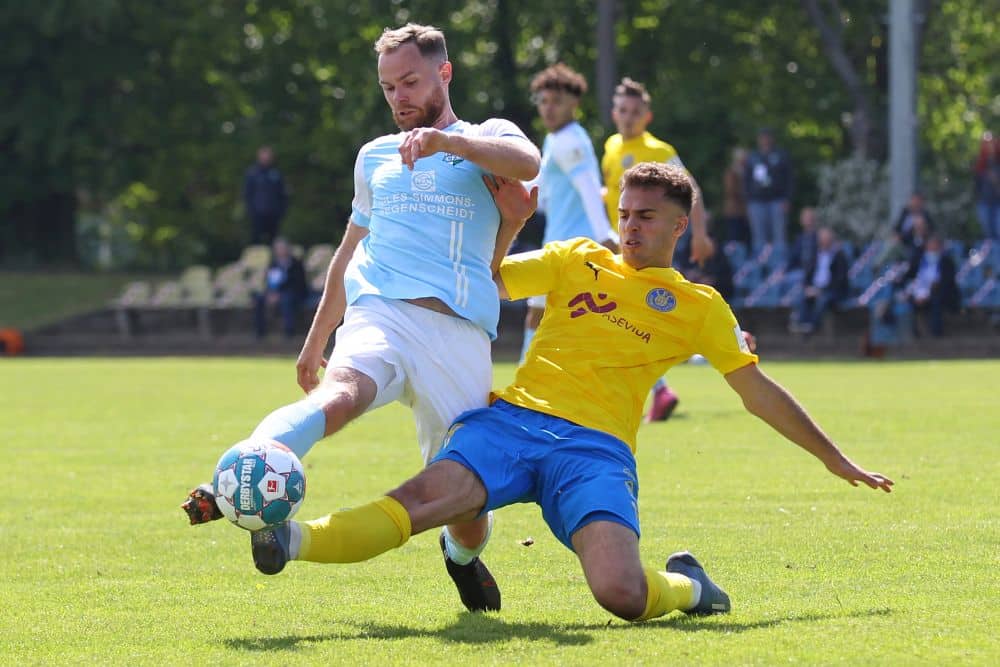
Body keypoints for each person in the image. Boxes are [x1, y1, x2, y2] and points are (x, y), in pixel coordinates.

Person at [249, 163, 893, 624]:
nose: (630, 227)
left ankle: (692, 590)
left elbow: (758, 393)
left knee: (620, 593)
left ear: (680, 226)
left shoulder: (700, 306)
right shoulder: (577, 258)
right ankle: (290, 541)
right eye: (624, 214)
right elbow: (484, 279)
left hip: (595, 452)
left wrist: (834, 458)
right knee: (420, 501)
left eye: (646, 217)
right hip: (513, 424)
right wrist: (509, 222)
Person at [182, 23, 541, 613]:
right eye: (388, 87)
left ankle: (462, 559)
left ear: (443, 74)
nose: (399, 97)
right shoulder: (373, 156)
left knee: (468, 507)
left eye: (410, 82)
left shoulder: (484, 138)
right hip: (381, 314)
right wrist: (317, 335)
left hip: (458, 334)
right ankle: (235, 478)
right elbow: (349, 250)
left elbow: (526, 160)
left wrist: (445, 143)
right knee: (340, 395)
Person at [600, 76, 714, 421]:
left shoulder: (660, 151)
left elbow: (690, 189)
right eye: (623, 110)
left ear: (647, 116)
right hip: (616, 245)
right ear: (614, 112)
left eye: (635, 111)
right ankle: (661, 381)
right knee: (625, 318)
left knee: (625, 316)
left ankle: (666, 377)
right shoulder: (610, 147)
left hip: (648, 246)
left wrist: (699, 234)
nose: (628, 117)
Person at [522, 63, 617, 361]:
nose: (548, 109)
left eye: (557, 102)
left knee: (541, 317)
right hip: (560, 243)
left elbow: (588, 188)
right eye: (543, 101)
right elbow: (551, 196)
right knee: (546, 316)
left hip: (574, 247)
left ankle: (521, 387)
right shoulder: (559, 139)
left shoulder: (567, 141)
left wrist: (605, 236)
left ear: (574, 103)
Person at [898, 235, 960, 337]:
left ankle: (936, 334)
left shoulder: (947, 261)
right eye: (931, 245)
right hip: (918, 291)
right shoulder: (918, 259)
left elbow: (948, 282)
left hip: (939, 292)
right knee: (908, 300)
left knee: (936, 300)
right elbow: (908, 276)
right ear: (926, 246)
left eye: (936, 246)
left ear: (940, 247)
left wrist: (929, 293)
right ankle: (913, 333)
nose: (933, 248)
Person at [744, 128, 793, 255]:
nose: (765, 140)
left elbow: (789, 178)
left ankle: (778, 269)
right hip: (757, 202)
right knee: (759, 238)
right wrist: (748, 201)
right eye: (762, 138)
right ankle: (760, 269)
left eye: (767, 137)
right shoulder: (753, 157)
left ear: (772, 139)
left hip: (777, 201)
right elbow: (746, 180)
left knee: (779, 236)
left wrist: (787, 199)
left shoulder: (781, 155)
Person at [793, 227, 850, 335]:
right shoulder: (816, 255)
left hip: (832, 290)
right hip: (814, 288)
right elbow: (808, 275)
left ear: (831, 240)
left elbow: (840, 279)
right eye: (821, 240)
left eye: (825, 240)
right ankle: (801, 324)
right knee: (800, 297)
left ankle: (812, 326)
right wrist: (807, 287)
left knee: (822, 299)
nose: (822, 242)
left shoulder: (839, 255)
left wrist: (821, 290)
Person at [253, 237, 310, 339]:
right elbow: (269, 282)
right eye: (278, 248)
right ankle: (260, 333)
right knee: (259, 299)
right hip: (274, 293)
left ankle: (289, 333)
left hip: (293, 294)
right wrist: (270, 294)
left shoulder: (296, 264)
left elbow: (298, 284)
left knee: (286, 300)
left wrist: (279, 294)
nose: (280, 251)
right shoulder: (273, 264)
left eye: (282, 248)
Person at [244, 146, 289, 245]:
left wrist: (281, 210)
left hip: (274, 213)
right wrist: (251, 210)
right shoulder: (252, 173)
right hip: (257, 214)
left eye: (268, 155)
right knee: (256, 240)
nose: (266, 158)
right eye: (264, 155)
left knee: (274, 240)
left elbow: (283, 194)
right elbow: (247, 194)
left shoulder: (276, 173)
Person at [720, 147, 750, 247]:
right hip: (734, 210)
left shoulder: (747, 171)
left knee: (745, 238)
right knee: (734, 237)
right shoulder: (731, 172)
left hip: (745, 211)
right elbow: (730, 190)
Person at [974, 131, 1000, 240]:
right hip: (984, 202)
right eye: (986, 143)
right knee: (988, 235)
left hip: (998, 203)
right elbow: (976, 185)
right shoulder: (980, 164)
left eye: (991, 143)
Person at [785, 207, 819, 285]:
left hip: (813, 271)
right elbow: (793, 257)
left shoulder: (819, 237)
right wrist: (784, 271)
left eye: (809, 217)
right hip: (799, 269)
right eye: (804, 217)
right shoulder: (799, 238)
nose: (807, 220)